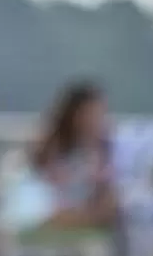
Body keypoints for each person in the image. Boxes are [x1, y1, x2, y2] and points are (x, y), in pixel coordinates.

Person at [19, 80, 122, 235]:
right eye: (90, 113)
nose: (95, 119)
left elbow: (106, 190)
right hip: (52, 210)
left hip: (85, 211)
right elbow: (42, 188)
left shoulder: (103, 149)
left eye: (99, 113)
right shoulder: (51, 147)